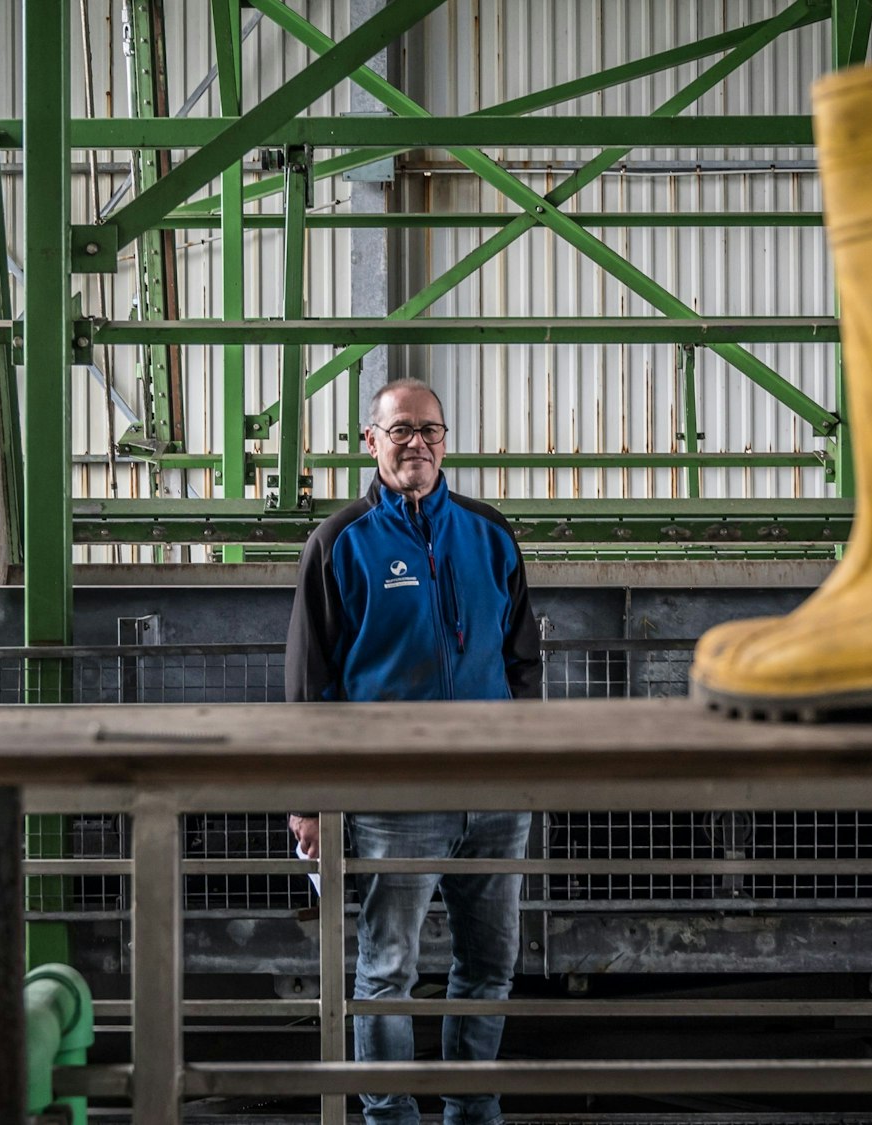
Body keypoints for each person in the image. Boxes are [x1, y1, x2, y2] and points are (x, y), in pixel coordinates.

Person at [285, 377, 542, 1125]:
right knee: (387, 968)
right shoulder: (341, 542)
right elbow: (310, 685)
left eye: (429, 430)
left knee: (490, 965)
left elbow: (523, 661)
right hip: (395, 799)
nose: (416, 444)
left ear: (445, 440)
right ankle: (389, 1116)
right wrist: (308, 799)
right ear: (371, 441)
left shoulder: (490, 534)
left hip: (494, 798)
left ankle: (471, 1109)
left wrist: (527, 765)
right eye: (400, 430)